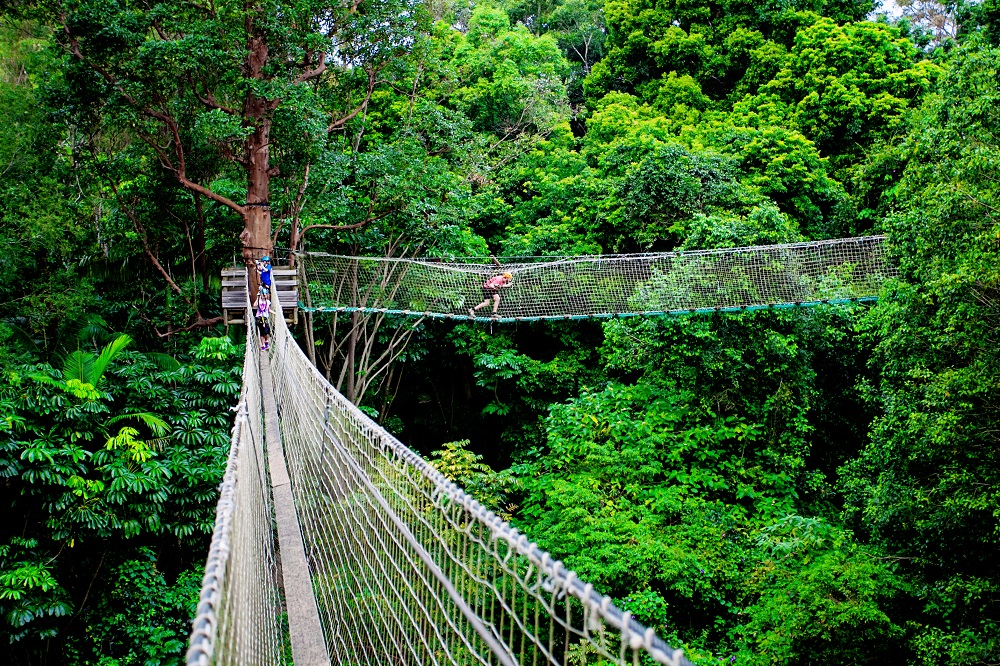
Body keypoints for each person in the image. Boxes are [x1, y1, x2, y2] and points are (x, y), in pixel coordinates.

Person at [254, 284, 271, 351]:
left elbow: (269, 310)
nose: (264, 296)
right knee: (261, 331)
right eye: (263, 294)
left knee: (266, 332)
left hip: (265, 317)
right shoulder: (259, 301)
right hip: (259, 317)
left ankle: (266, 341)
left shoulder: (268, 302)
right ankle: (263, 345)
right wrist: (257, 298)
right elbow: (254, 305)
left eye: (265, 295)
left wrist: (275, 313)